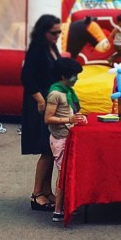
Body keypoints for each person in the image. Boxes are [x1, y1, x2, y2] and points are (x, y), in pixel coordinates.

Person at [22, 13, 64, 212]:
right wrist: (40, 100)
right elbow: (26, 77)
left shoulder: (51, 47)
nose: (57, 35)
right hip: (40, 102)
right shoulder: (37, 49)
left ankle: (46, 191)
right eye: (54, 32)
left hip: (51, 99)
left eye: (59, 32)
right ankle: (37, 193)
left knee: (51, 147)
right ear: (43, 32)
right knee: (46, 148)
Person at [43, 57, 86, 222]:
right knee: (63, 174)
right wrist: (69, 120)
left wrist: (77, 117)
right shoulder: (55, 94)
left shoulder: (68, 92)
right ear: (63, 76)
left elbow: (71, 112)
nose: (76, 79)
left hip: (68, 136)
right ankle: (58, 210)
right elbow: (48, 118)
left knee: (68, 172)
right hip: (60, 139)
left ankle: (67, 205)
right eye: (74, 75)